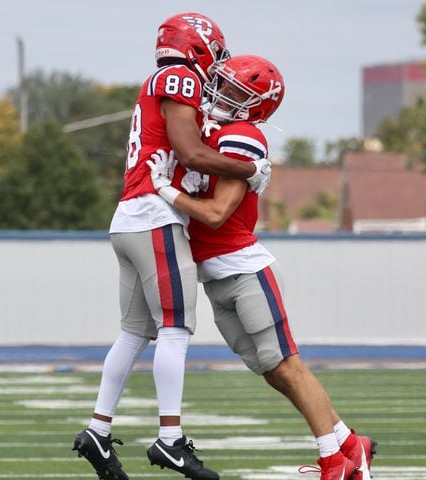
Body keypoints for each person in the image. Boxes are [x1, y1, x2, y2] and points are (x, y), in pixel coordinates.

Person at [146, 54, 377, 480]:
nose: (220, 94)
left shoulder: (243, 134)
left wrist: (164, 190)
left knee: (287, 363)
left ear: (257, 105)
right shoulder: (210, 133)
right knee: (272, 370)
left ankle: (335, 463)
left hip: (244, 268)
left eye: (235, 91)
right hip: (217, 275)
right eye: (222, 84)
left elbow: (215, 214)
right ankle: (349, 444)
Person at [71, 12, 272, 480]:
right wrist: (250, 170)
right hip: (154, 216)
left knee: (134, 332)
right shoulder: (179, 76)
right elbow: (191, 153)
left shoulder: (164, 79)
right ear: (199, 47)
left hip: (131, 217)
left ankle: (98, 432)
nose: (218, 67)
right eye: (216, 54)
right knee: (176, 328)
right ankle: (170, 440)